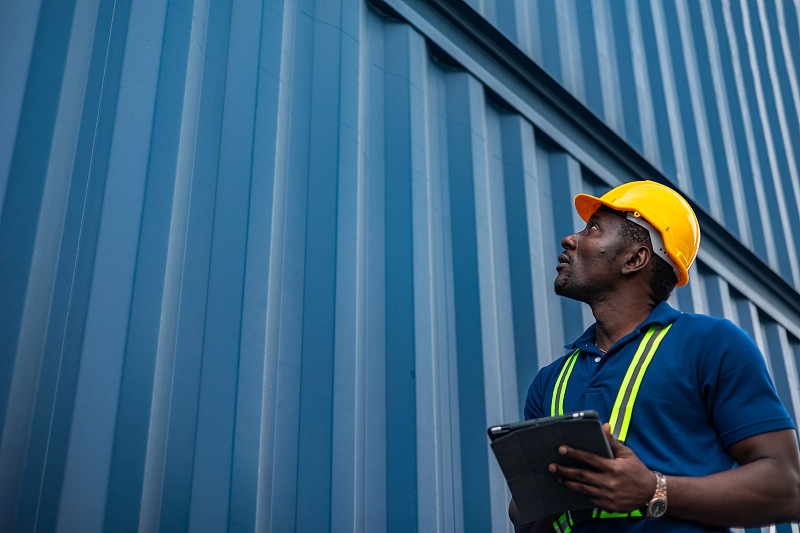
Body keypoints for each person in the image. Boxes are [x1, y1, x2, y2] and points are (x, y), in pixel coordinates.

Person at [509, 181, 800, 532]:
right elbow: (526, 520)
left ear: (635, 259)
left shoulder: (710, 344)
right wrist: (542, 491)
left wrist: (653, 490)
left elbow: (787, 488)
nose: (570, 239)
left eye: (594, 229)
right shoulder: (550, 381)